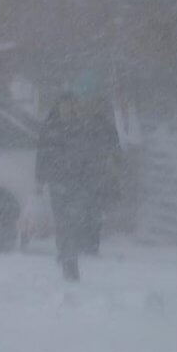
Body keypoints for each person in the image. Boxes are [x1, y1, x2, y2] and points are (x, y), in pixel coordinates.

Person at [35, 91, 121, 282]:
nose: (67, 108)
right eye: (64, 105)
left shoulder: (81, 126)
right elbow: (42, 155)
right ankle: (67, 255)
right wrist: (39, 180)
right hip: (58, 182)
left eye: (70, 105)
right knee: (63, 221)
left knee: (74, 220)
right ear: (58, 106)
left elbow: (91, 153)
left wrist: (95, 172)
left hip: (78, 182)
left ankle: (70, 254)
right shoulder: (50, 128)